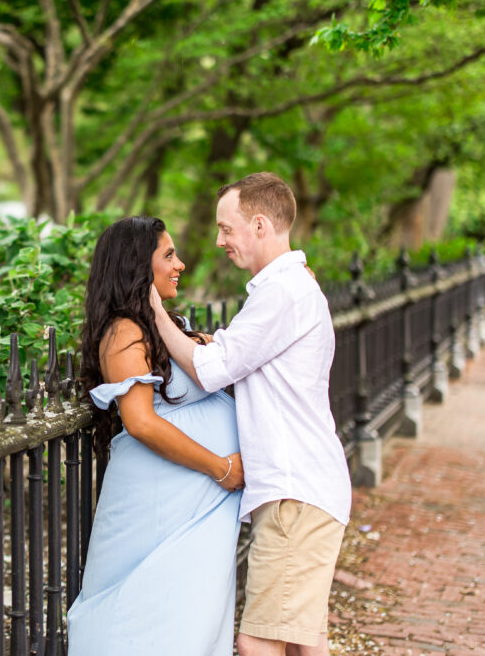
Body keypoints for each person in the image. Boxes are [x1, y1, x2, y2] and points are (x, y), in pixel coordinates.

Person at [150, 172, 351, 656]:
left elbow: (209, 370)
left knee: (256, 641)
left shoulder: (283, 292)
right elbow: (231, 349)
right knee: (305, 641)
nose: (219, 240)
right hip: (304, 488)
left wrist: (152, 308)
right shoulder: (285, 289)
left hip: (294, 494)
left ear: (260, 225)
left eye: (227, 228)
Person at [67, 216, 245, 655]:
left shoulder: (164, 327)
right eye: (168, 255)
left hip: (193, 505)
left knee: (192, 620)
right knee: (153, 620)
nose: (180, 263)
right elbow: (141, 422)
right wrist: (221, 468)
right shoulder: (123, 333)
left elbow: (229, 353)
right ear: (136, 265)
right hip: (159, 507)